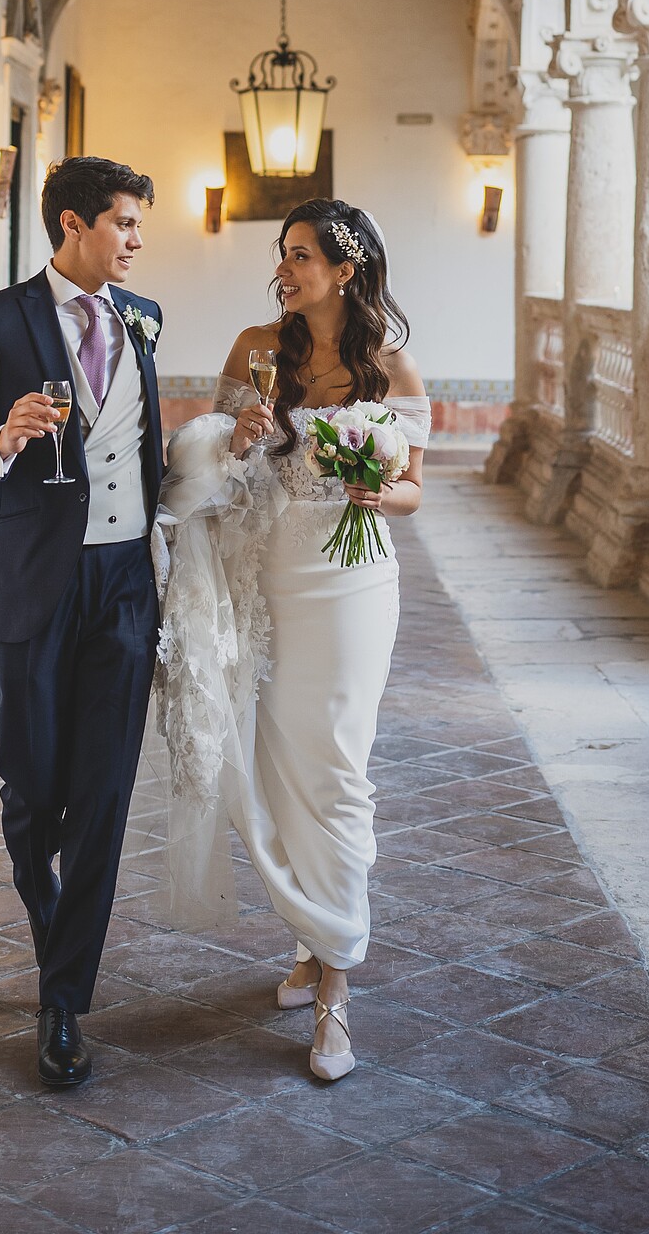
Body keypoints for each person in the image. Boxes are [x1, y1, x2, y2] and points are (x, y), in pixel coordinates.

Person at [154, 199, 428, 1082]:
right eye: (283, 253)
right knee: (274, 765)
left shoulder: (387, 364)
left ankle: (335, 992)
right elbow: (210, 468)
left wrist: (382, 494)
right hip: (268, 574)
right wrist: (236, 439)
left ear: (345, 270)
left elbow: (417, 486)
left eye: (303, 255)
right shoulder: (254, 350)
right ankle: (310, 938)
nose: (286, 267)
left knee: (337, 767)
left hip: (353, 582)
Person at [0, 155, 163, 1090]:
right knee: (32, 794)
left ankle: (63, 998)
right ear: (72, 225)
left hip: (124, 580)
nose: (138, 241)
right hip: (30, 581)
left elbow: (144, 451)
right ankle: (52, 928)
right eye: (125, 224)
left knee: (103, 795)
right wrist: (1, 437)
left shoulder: (141, 319)